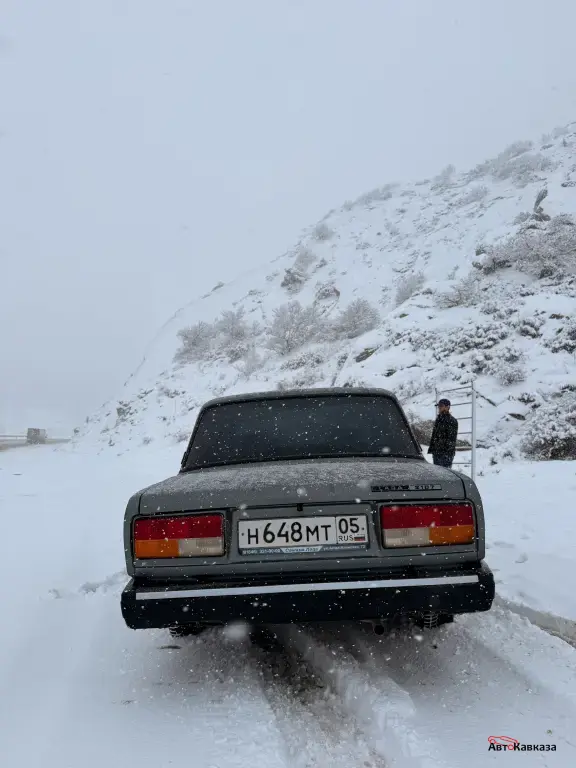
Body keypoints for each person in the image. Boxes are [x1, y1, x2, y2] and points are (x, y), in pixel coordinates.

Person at [428, 398, 458, 468]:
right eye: (439, 406)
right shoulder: (438, 419)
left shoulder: (452, 421)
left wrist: (445, 452)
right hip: (437, 453)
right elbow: (434, 435)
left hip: (446, 454)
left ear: (447, 407)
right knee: (438, 475)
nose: (439, 408)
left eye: (441, 406)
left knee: (445, 475)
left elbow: (451, 439)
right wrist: (434, 449)